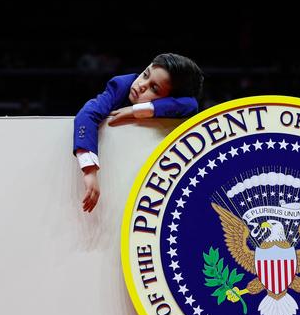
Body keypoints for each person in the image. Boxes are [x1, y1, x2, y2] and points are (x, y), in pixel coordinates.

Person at [73, 53, 204, 212]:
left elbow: (190, 105)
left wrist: (136, 111)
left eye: (154, 88)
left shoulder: (183, 105)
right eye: (145, 74)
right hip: (113, 182)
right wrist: (89, 171)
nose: (142, 85)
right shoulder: (122, 85)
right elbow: (86, 115)